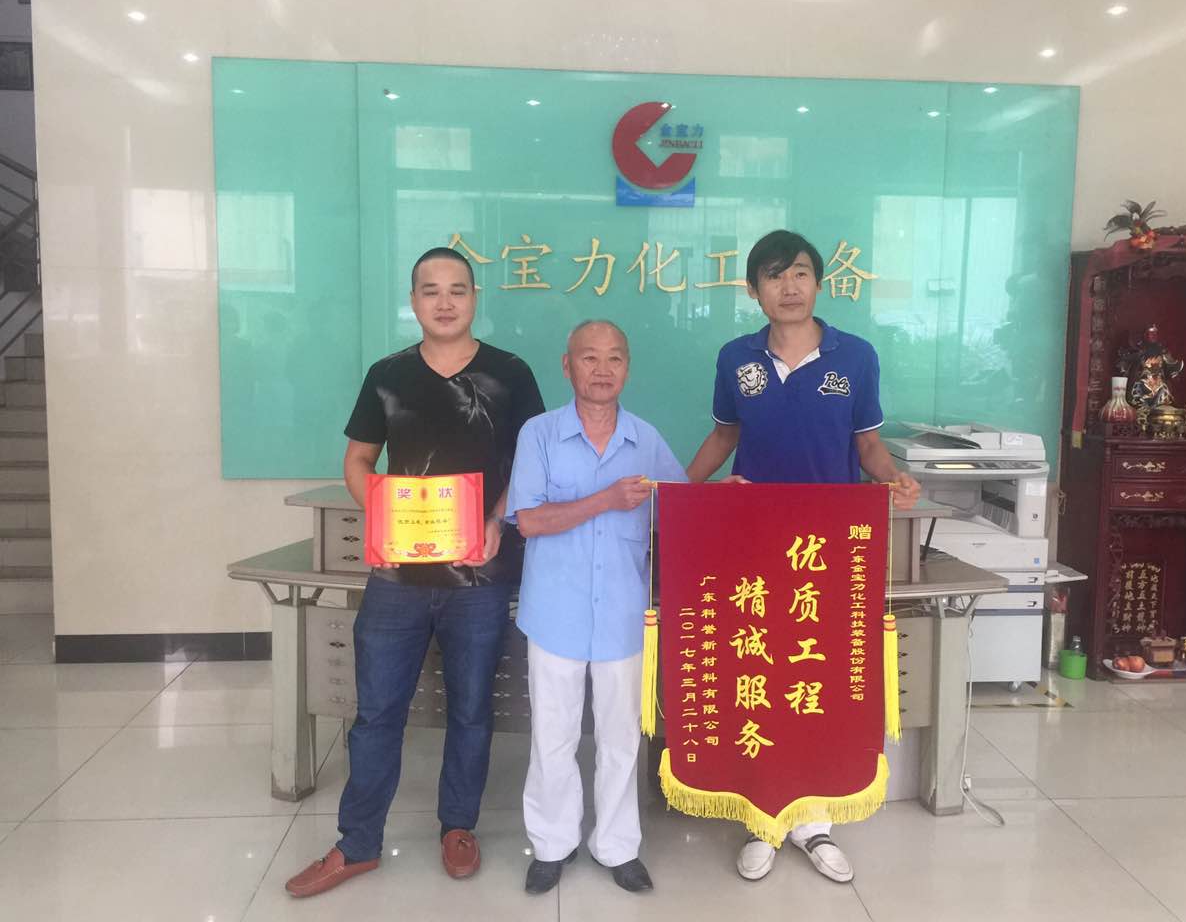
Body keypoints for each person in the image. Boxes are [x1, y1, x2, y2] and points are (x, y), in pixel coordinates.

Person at [286, 247, 544, 897]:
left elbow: (532, 463)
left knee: (472, 710)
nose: (445, 301)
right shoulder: (388, 375)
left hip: (479, 577)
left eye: (457, 289)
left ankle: (458, 826)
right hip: (397, 580)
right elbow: (358, 460)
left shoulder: (511, 374)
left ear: (475, 297)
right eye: (431, 290)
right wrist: (379, 515)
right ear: (414, 301)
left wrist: (497, 520)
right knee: (376, 713)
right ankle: (358, 842)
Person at [686, 229, 921, 884]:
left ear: (818, 282)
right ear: (753, 289)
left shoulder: (855, 356)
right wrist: (681, 490)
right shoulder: (737, 358)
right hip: (753, 542)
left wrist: (892, 477)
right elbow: (725, 435)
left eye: (798, 273)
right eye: (773, 275)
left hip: (826, 546)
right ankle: (763, 818)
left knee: (815, 674)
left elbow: (867, 445)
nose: (787, 287)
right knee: (757, 669)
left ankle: (815, 822)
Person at [506, 320, 687, 896]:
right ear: (568, 366)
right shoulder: (538, 434)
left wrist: (725, 499)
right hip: (554, 614)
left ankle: (617, 847)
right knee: (553, 736)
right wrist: (606, 499)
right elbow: (529, 520)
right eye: (589, 358)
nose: (602, 369)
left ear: (627, 368)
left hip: (623, 617)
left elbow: (681, 514)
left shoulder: (646, 440)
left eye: (614, 358)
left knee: (620, 739)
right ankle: (552, 844)